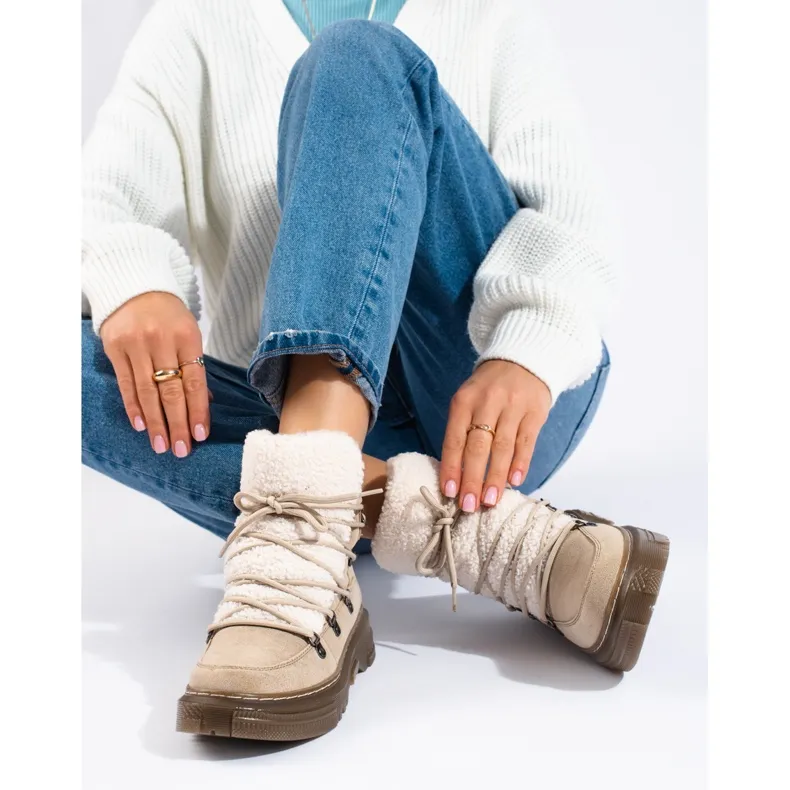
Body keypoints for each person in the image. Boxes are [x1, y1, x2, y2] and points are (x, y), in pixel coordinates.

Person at [82, 0, 669, 742]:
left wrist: (531, 344)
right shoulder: (193, 20)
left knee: (356, 58)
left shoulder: (484, 12)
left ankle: (298, 539)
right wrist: (133, 282)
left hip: (487, 408)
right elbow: (98, 202)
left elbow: (575, 212)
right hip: (274, 410)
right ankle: (478, 540)